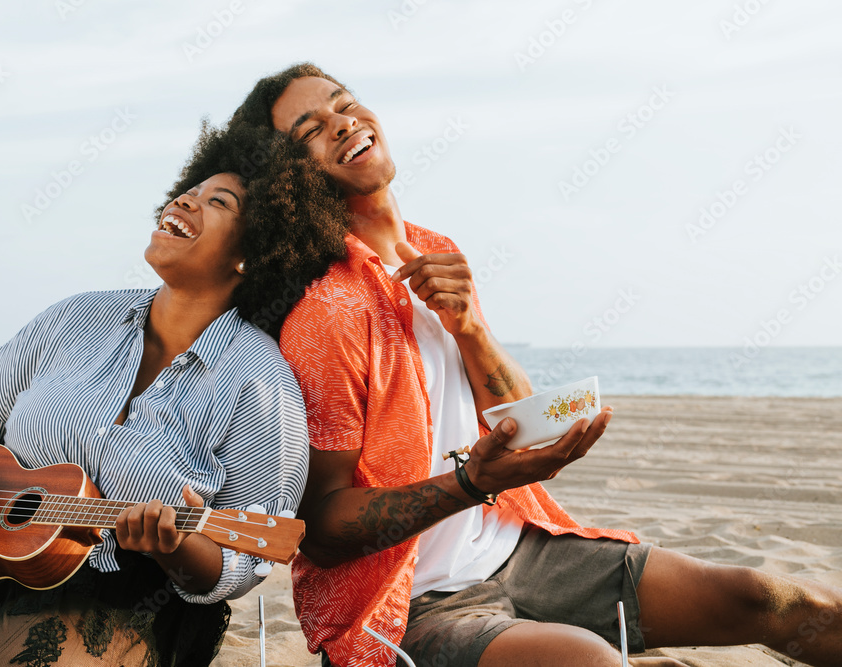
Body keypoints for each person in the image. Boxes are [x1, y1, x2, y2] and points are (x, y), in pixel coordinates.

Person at [228, 63, 842, 667]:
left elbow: (514, 413)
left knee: (784, 602)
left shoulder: (435, 248)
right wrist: (474, 483)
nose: (342, 122)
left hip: (523, 547)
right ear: (287, 172)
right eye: (311, 129)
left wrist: (467, 326)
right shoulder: (323, 310)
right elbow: (325, 528)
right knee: (588, 662)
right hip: (411, 603)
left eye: (344, 101)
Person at [0, 122, 349, 666]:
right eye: (190, 189)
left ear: (252, 254)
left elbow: (237, 567)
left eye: (216, 201)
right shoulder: (77, 316)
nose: (185, 199)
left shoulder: (261, 385)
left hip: (122, 597)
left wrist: (174, 544)